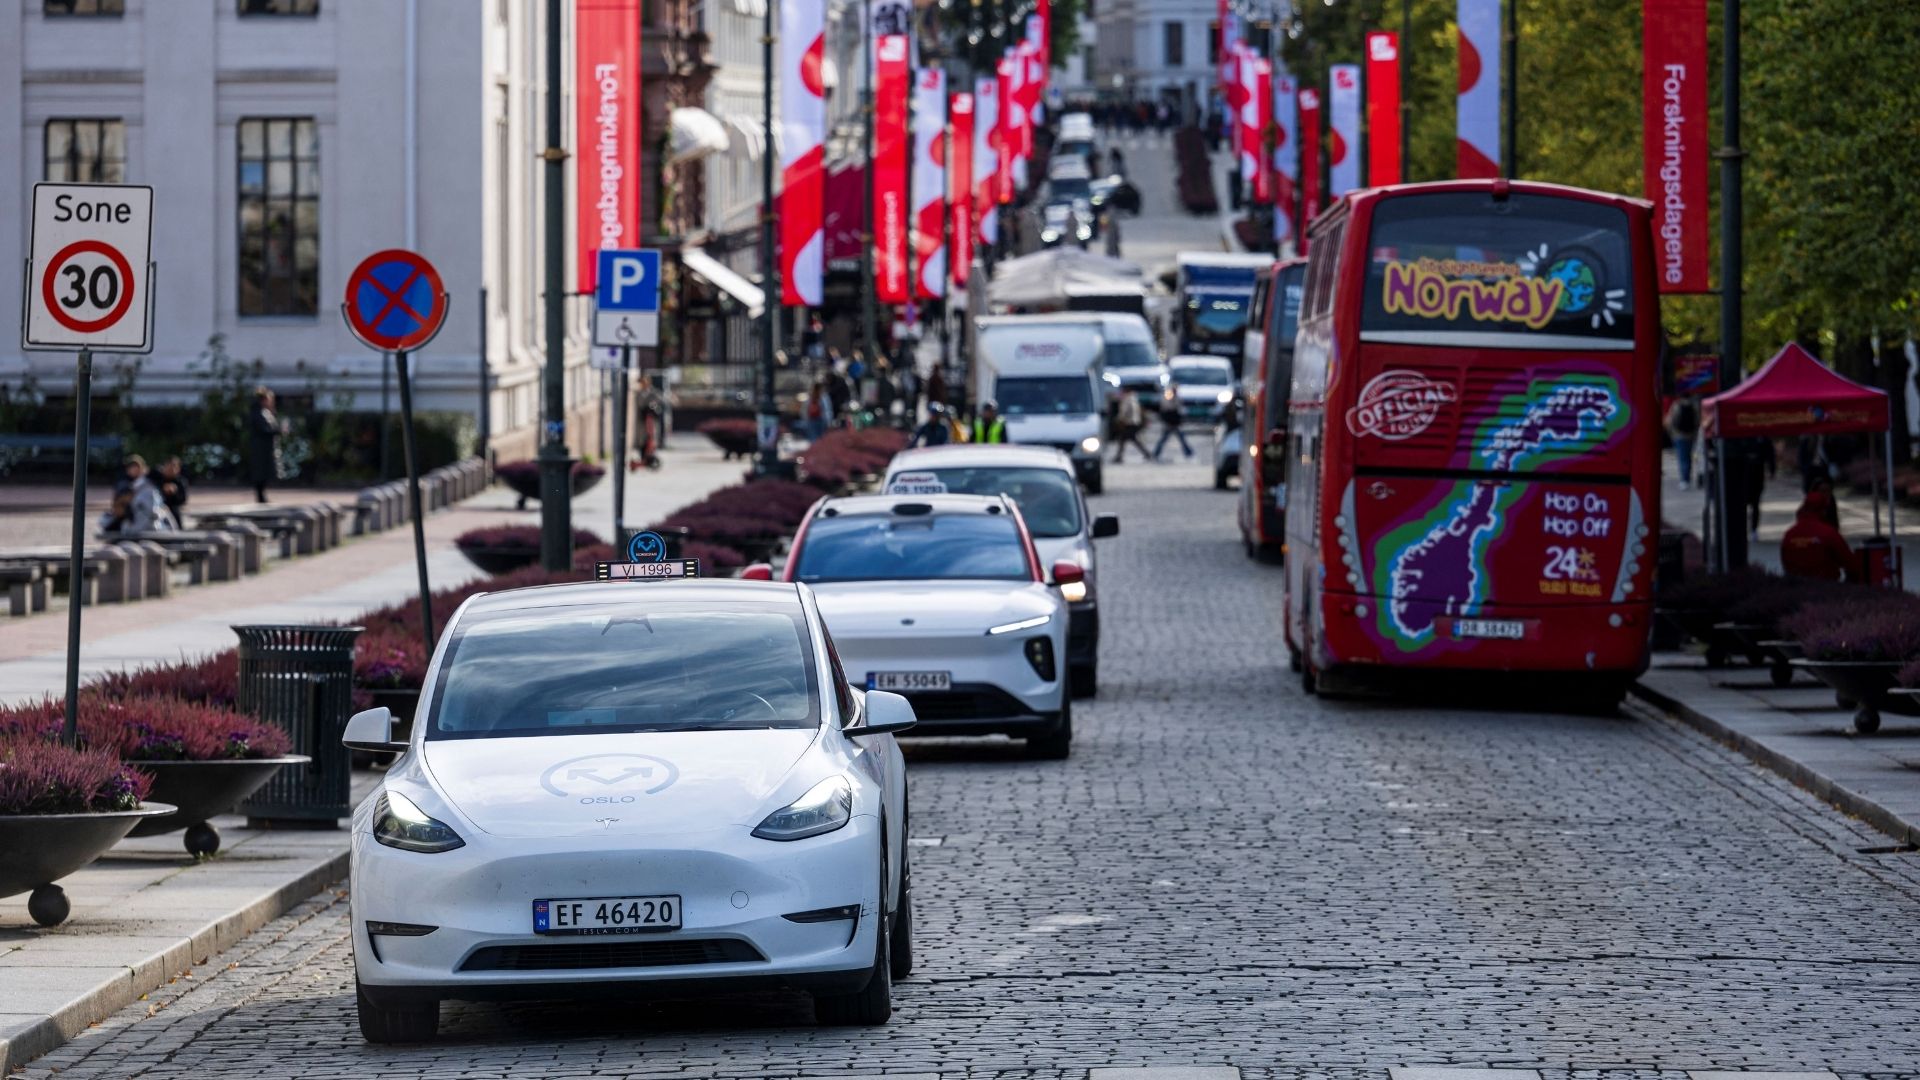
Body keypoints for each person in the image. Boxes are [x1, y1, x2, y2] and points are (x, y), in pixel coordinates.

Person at [1780, 489, 1855, 582]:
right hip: (1827, 587)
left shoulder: (1790, 534)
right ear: (1823, 510)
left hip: (1796, 586)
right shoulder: (1828, 533)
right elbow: (1849, 562)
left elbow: (1785, 562)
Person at [247, 387, 282, 504]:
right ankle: (260, 496)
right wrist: (278, 431)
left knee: (263, 472)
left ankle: (262, 495)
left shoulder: (264, 412)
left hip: (263, 447)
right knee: (260, 472)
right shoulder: (258, 413)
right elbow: (264, 429)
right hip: (260, 448)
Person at [1665, 395, 1700, 490]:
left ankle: (1684, 480)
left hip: (1679, 435)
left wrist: (1672, 433)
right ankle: (1687, 477)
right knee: (1688, 457)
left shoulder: (1676, 405)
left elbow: (1670, 421)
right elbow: (1697, 421)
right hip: (1690, 435)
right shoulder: (1693, 406)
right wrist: (1695, 433)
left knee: (1682, 458)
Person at [1153, 386, 1194, 460]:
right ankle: (1156, 453)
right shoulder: (1168, 398)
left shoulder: (1177, 398)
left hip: (1175, 422)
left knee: (1180, 438)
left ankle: (1188, 452)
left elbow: (1180, 410)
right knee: (1165, 439)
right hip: (1169, 422)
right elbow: (1165, 410)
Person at [1111, 391, 1152, 463]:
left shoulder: (1127, 400)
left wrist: (1119, 419)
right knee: (1126, 440)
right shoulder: (1134, 399)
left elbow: (1124, 412)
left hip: (1129, 423)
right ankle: (1119, 456)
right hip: (1134, 423)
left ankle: (1119, 457)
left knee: (1127, 439)